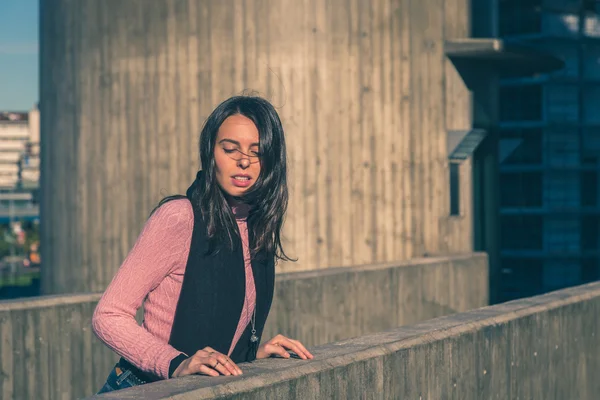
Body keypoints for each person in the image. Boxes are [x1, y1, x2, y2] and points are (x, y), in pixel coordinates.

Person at [92, 95, 313, 394]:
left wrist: (248, 356)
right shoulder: (180, 218)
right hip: (146, 387)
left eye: (256, 151)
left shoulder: (257, 228)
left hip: (199, 390)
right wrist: (175, 363)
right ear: (211, 154)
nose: (243, 160)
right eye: (230, 148)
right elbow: (108, 315)